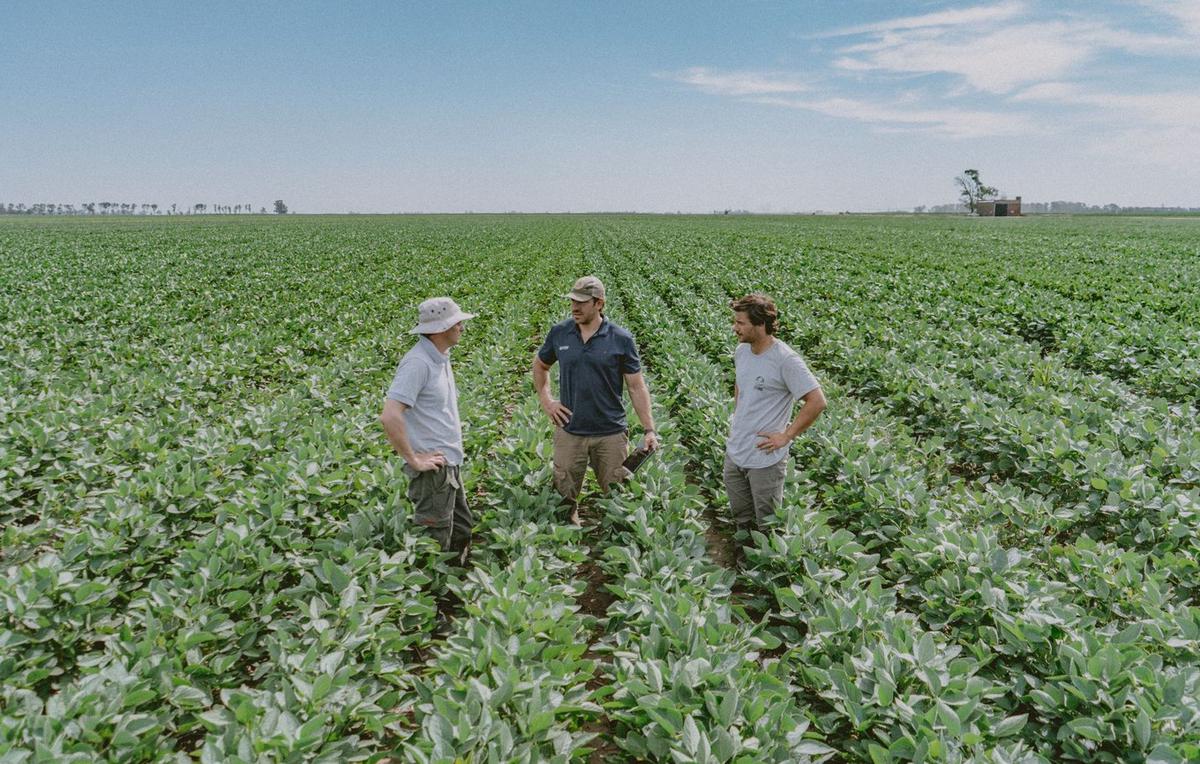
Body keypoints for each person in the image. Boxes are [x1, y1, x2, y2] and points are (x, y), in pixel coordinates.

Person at [532, 276, 659, 524]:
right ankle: (567, 546)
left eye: (581, 302)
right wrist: (547, 401)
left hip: (610, 433)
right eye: (572, 301)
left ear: (599, 303)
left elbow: (636, 386)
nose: (574, 307)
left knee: (619, 496)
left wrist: (649, 429)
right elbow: (540, 366)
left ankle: (616, 549)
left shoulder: (621, 339)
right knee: (563, 498)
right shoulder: (560, 333)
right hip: (570, 431)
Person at [379, 297, 476, 564]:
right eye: (457, 323)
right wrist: (414, 459)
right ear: (440, 329)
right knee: (434, 541)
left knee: (461, 529)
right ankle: (429, 597)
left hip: (448, 464)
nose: (462, 328)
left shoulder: (440, 357)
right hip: (433, 470)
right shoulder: (418, 363)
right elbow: (390, 416)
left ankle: (452, 593)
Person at [724, 293, 826, 536]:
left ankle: (766, 570)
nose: (734, 327)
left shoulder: (785, 359)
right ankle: (743, 565)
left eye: (740, 323)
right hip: (736, 449)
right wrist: (740, 417)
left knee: (768, 526)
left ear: (760, 324)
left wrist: (786, 436)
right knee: (741, 519)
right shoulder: (742, 351)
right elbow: (741, 384)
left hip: (765, 458)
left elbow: (817, 401)